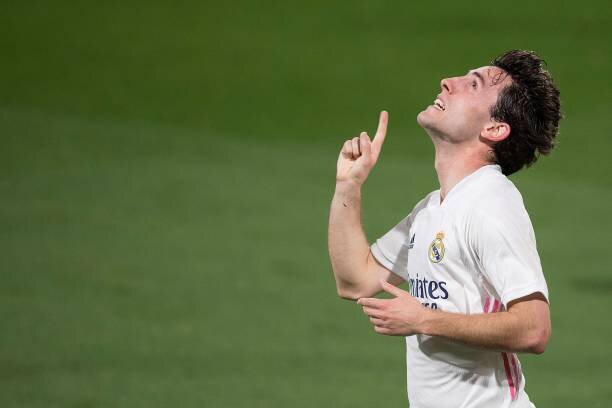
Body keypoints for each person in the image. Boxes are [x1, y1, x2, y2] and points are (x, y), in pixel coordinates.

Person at [327, 50, 562, 407]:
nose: (447, 82)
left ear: (495, 129)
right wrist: (347, 187)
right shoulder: (432, 209)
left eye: (472, 84)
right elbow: (355, 280)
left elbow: (534, 328)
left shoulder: (491, 203)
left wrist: (424, 319)